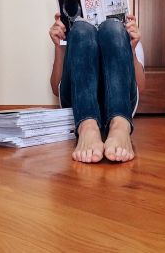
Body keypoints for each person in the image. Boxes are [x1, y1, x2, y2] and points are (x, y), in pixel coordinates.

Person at [49, 14, 145, 163]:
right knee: (81, 29)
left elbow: (141, 86)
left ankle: (120, 125)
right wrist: (59, 46)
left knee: (113, 28)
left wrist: (130, 49)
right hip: (79, 99)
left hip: (119, 99)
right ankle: (87, 126)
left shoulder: (124, 29)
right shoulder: (73, 31)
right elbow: (57, 89)